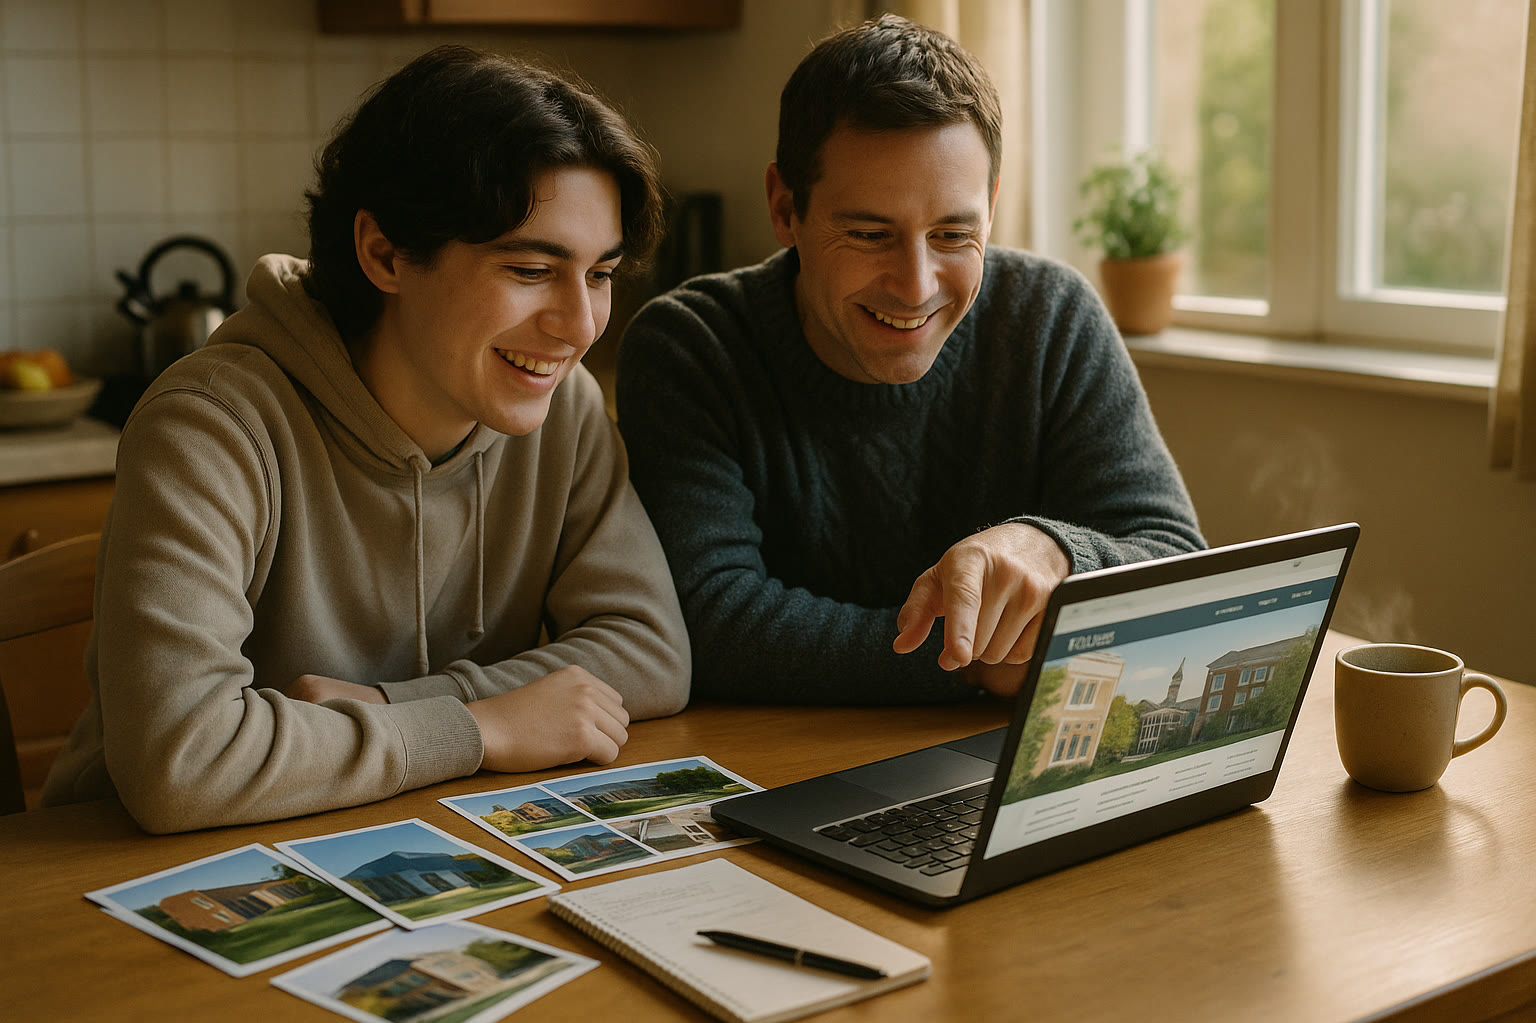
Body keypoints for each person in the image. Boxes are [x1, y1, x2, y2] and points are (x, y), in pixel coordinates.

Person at [42, 46, 690, 833]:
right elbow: (183, 762)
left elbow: (652, 653)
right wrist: (485, 726)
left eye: (598, 275)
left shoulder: (564, 408)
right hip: (123, 872)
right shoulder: (210, 425)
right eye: (528, 269)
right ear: (384, 253)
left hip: (401, 833)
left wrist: (397, 706)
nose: (580, 326)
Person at [615, 15, 1203, 706]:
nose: (916, 284)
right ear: (784, 207)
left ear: (990, 205)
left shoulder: (1052, 317)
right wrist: (976, 664)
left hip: (1000, 769)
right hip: (776, 768)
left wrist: (1054, 549)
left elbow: (1181, 567)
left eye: (953, 233)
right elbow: (710, 623)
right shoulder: (691, 347)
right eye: (869, 233)